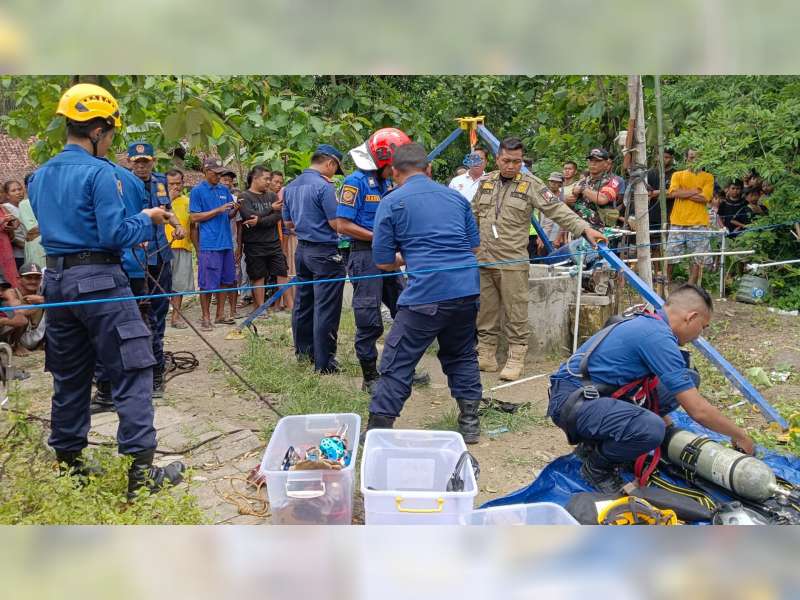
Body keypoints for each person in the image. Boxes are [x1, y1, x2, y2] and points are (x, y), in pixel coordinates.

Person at [27, 82, 184, 498]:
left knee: (70, 375)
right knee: (132, 371)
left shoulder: (40, 175)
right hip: (100, 280)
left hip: (57, 284)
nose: (111, 141)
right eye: (111, 133)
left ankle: (71, 467)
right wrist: (149, 217)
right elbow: (115, 234)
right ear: (97, 130)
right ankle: (141, 474)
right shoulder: (100, 173)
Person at [547, 284, 754, 492]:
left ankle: (605, 441)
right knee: (651, 429)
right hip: (573, 402)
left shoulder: (649, 322)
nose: (699, 336)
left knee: (687, 379)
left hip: (588, 395)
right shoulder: (656, 337)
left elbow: (648, 384)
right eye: (703, 326)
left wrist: (668, 428)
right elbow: (698, 410)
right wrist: (739, 435)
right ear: (691, 317)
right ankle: (597, 466)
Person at [365, 143, 484, 443]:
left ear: (394, 172)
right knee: (462, 355)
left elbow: (382, 261)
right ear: (429, 170)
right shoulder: (456, 198)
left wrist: (411, 256)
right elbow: (472, 246)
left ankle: (378, 429)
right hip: (467, 290)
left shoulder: (391, 202)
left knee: (397, 360)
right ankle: (470, 423)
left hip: (426, 295)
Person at [473, 137, 606, 381]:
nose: (511, 166)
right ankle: (486, 352)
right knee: (486, 309)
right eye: (506, 161)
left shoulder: (532, 185)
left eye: (516, 161)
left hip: (512, 260)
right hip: (484, 258)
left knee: (516, 309)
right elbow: (473, 215)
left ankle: (515, 357)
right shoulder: (486, 182)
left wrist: (585, 229)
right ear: (497, 159)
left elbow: (558, 210)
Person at [337, 128, 429, 392]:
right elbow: (342, 224)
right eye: (394, 166)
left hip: (388, 256)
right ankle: (370, 377)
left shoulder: (388, 183)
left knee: (405, 309)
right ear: (381, 161)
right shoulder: (355, 183)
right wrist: (378, 236)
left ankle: (401, 369)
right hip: (364, 255)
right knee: (369, 317)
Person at [281, 144, 346, 373]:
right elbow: (335, 223)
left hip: (303, 251)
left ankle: (303, 353)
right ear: (330, 163)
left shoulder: (291, 186)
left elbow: (288, 223)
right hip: (325, 252)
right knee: (326, 307)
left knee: (303, 304)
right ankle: (325, 362)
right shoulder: (324, 187)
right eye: (335, 169)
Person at [128, 142, 185, 398]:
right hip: (135, 259)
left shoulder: (161, 182)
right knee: (136, 316)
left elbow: (167, 211)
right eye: (137, 162)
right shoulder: (122, 184)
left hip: (161, 254)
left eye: (145, 161)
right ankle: (134, 369)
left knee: (159, 312)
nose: (141, 166)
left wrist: (177, 225)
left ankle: (156, 372)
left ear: (152, 162)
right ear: (130, 162)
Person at [190, 158, 238, 331]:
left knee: (226, 280)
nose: (218, 176)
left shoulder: (224, 190)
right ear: (206, 171)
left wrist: (235, 209)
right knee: (207, 282)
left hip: (226, 242)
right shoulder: (197, 191)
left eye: (220, 173)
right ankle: (205, 317)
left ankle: (220, 314)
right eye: (215, 173)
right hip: (209, 244)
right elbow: (194, 217)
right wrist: (218, 210)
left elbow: (228, 215)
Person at [239, 165, 288, 309]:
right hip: (254, 244)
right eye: (266, 179)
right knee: (258, 276)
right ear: (255, 178)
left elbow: (277, 217)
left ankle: (285, 305)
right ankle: (260, 309)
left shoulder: (272, 196)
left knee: (282, 272)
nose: (268, 182)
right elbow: (248, 217)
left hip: (273, 242)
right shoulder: (244, 196)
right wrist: (270, 209)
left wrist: (259, 220)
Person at [665, 149, 714, 286]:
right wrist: (695, 191)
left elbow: (705, 198)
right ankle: (666, 282)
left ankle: (691, 285)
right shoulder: (677, 175)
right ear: (686, 159)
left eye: (698, 157)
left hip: (699, 222)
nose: (695, 160)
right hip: (677, 221)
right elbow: (673, 193)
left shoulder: (708, 177)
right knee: (670, 256)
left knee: (698, 258)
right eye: (692, 157)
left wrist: (683, 193)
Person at [165, 169, 197, 328]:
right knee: (162, 284)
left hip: (183, 247)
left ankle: (175, 318)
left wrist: (197, 248)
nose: (175, 187)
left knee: (179, 284)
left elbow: (193, 227)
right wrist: (168, 198)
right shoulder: (159, 201)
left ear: (183, 183)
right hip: (163, 248)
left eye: (178, 183)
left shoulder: (188, 202)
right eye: (171, 184)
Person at [10, 262, 46, 352]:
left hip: (36, 335)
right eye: (28, 278)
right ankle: (16, 345)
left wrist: (42, 300)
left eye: (37, 278)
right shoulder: (12, 293)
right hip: (17, 337)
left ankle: (44, 342)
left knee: (55, 308)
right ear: (19, 279)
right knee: (20, 316)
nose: (33, 281)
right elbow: (19, 311)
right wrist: (42, 302)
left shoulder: (42, 293)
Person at [645, 147, 678, 241]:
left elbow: (675, 192)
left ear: (671, 158)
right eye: (662, 157)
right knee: (653, 244)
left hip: (670, 214)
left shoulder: (675, 174)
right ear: (656, 157)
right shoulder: (650, 173)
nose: (664, 159)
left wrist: (656, 192)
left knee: (667, 242)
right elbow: (645, 193)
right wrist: (664, 192)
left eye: (667, 157)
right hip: (653, 214)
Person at [17, 173, 45, 268]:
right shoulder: (24, 204)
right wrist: (51, 225)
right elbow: (32, 230)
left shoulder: (48, 201)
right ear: (26, 187)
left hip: (48, 244)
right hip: (36, 245)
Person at [2, 180, 28, 271]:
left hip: (31, 252)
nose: (18, 192)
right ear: (7, 195)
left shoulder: (27, 206)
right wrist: (27, 246)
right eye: (13, 191)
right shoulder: (5, 208)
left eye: (20, 189)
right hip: (17, 254)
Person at [537, 172, 564, 251]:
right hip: (543, 233)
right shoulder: (544, 195)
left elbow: (564, 221)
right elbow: (540, 215)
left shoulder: (562, 198)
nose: (553, 184)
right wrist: (539, 235)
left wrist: (558, 238)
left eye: (556, 182)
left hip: (555, 235)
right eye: (552, 181)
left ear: (560, 184)